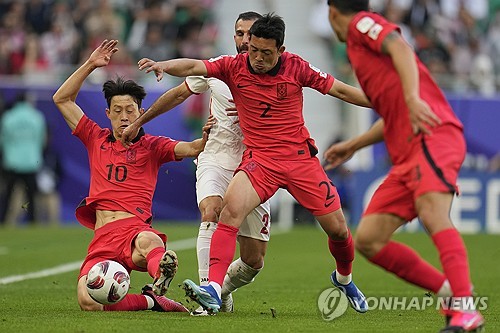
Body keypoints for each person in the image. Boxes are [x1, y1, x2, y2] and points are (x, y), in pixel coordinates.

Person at [137, 13, 373, 315]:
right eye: (254, 50)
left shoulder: (297, 67)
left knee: (338, 230)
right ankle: (212, 287)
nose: (258, 58)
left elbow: (339, 89)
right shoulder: (233, 67)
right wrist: (163, 65)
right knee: (229, 210)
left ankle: (344, 278)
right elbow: (195, 66)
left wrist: (379, 101)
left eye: (266, 53)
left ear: (281, 51)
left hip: (299, 160)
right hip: (259, 161)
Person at [324, 1, 484, 332]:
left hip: (431, 135)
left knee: (433, 213)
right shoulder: (360, 54)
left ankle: (466, 309)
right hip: (407, 153)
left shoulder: (361, 25)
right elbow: (393, 113)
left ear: (332, 13)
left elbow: (400, 48)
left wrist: (413, 97)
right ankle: (451, 295)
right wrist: (353, 145)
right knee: (369, 239)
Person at [121, 11, 270, 315]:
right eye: (239, 33)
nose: (243, 40)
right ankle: (207, 293)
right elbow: (177, 95)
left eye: (249, 34)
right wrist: (139, 123)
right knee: (211, 210)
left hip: (255, 165)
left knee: (254, 261)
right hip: (215, 157)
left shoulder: (276, 72)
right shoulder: (219, 67)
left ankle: (222, 290)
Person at [52, 39, 214, 312]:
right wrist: (91, 64)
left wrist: (206, 138)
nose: (124, 116)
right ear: (108, 114)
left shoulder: (153, 146)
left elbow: (192, 148)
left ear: (141, 112)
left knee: (148, 241)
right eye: (117, 111)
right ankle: (153, 301)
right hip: (102, 238)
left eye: (130, 110)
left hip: (133, 231)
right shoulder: (95, 138)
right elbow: (61, 98)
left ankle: (162, 269)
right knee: (88, 302)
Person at [0, 92, 47, 225]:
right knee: (31, 196)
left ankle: (3, 221)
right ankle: (33, 222)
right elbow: (41, 141)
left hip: (12, 161)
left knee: (8, 196)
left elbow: (3, 141)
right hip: (31, 162)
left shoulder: (8, 117)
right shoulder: (37, 117)